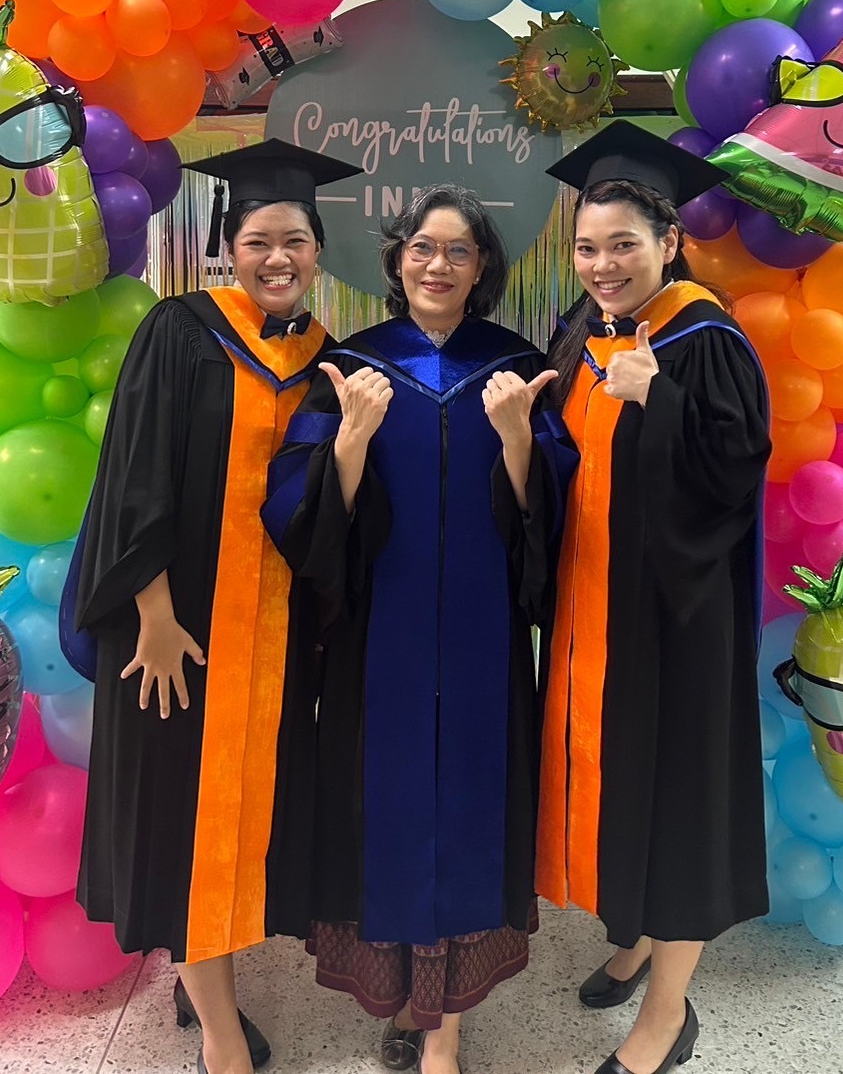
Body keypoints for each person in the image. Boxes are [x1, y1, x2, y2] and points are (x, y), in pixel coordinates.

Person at [68, 139, 362, 1074]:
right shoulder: (180, 330)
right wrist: (152, 614)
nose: (278, 258)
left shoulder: (328, 362)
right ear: (228, 247)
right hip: (176, 628)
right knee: (182, 818)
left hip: (272, 640)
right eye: (259, 239)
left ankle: (206, 981)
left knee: (240, 817)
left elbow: (325, 509)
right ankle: (222, 1034)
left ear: (318, 252)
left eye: (296, 241)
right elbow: (134, 476)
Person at [261, 184, 562, 1074]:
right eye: (423, 247)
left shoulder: (516, 365)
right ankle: (399, 995)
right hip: (376, 640)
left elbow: (556, 509)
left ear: (482, 267)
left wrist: (518, 438)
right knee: (382, 813)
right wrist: (349, 441)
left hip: (482, 640)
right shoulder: (351, 366)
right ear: (397, 259)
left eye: (459, 250)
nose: (438, 264)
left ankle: (446, 1031)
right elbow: (295, 507)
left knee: (469, 809)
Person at [538, 121, 772, 1074]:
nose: (603, 264)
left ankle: (668, 1015)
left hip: (678, 620)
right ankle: (635, 939)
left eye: (624, 244)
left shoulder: (702, 339)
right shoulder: (585, 334)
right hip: (599, 613)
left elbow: (736, 472)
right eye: (588, 246)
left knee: (675, 804)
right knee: (624, 787)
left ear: (669, 241)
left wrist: (657, 397)